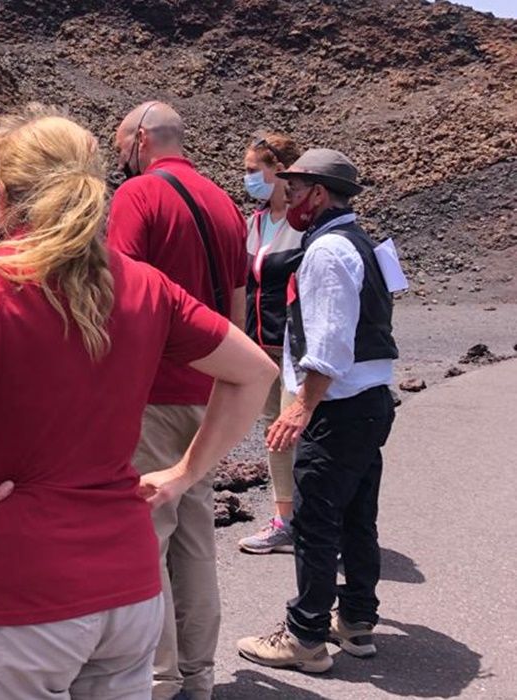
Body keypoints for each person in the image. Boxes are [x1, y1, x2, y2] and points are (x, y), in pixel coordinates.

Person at [0, 104, 276, 699]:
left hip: (19, 591)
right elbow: (254, 372)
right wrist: (184, 474)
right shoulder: (146, 286)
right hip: (128, 595)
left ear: (1, 193)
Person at [106, 101, 250, 700]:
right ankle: (200, 675)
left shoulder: (137, 197)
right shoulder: (225, 203)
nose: (120, 162)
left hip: (154, 393)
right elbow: (238, 309)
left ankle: (159, 679)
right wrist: (226, 383)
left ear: (141, 140)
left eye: (120, 149)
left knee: (149, 533)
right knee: (195, 537)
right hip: (209, 392)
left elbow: (120, 291)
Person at [237, 149, 398, 673]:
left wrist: (300, 406)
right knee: (357, 516)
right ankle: (356, 621)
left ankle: (305, 636)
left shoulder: (327, 251)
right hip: (371, 402)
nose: (289, 198)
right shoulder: (363, 243)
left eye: (296, 189)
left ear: (319, 195)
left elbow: (329, 342)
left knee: (314, 521)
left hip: (341, 404)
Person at [237, 134, 306, 555]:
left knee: (297, 433)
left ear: (279, 170)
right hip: (260, 347)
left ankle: (315, 518)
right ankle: (286, 520)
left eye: (251, 170)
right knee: (272, 433)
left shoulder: (304, 225)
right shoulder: (255, 222)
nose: (246, 178)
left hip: (295, 348)